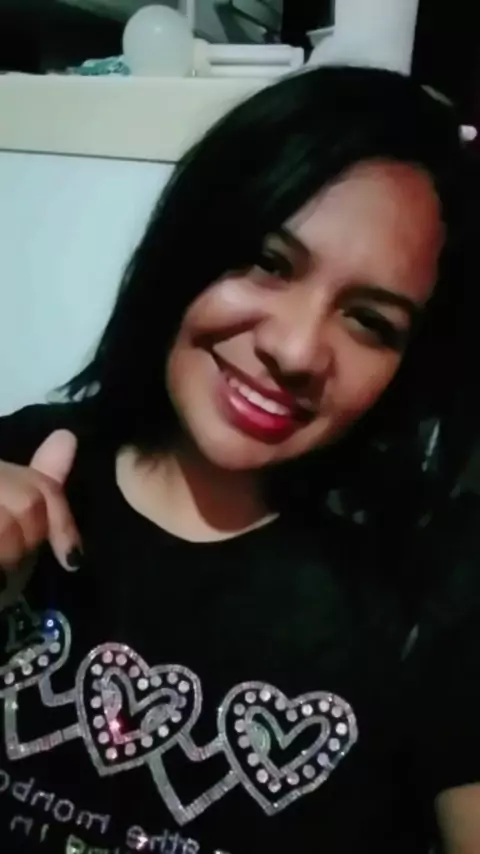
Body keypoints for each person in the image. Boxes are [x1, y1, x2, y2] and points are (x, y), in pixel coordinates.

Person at [0, 66, 478, 854]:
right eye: (269, 262)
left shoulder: (437, 587)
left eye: (369, 321)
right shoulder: (23, 466)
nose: (296, 350)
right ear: (188, 244)